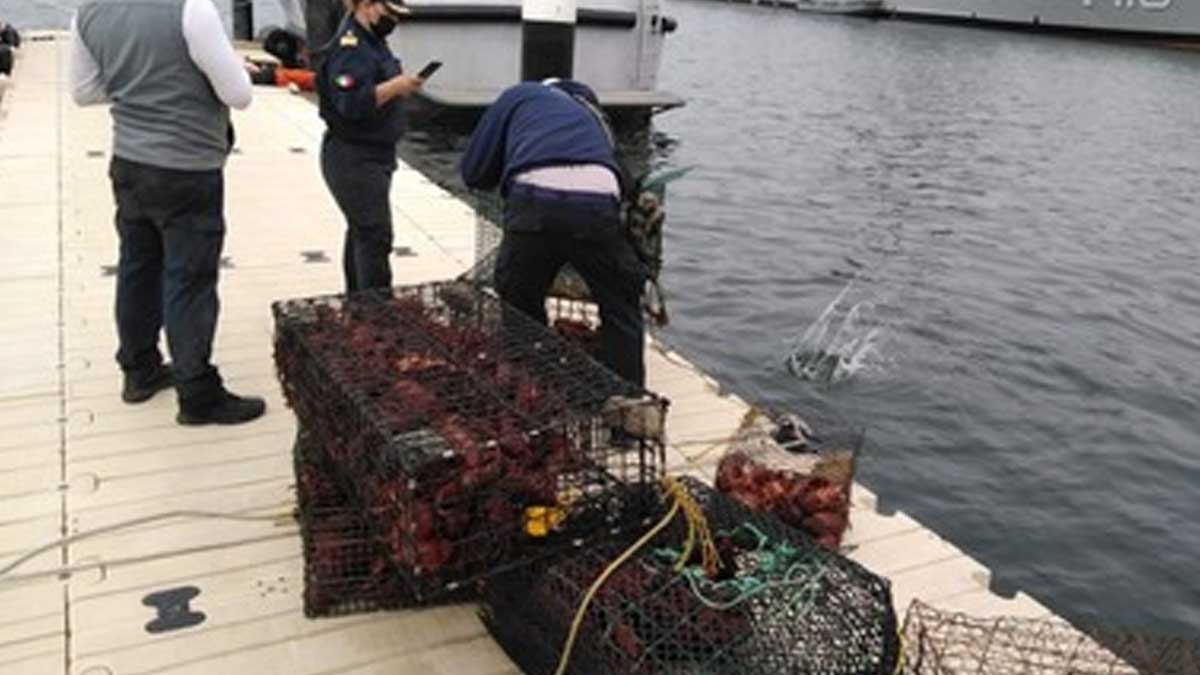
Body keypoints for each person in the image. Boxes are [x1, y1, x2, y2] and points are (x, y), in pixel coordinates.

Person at [69, 0, 266, 425]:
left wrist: (138, 87)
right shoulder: (191, 8)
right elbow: (239, 95)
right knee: (189, 279)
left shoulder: (88, 11)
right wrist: (228, 69)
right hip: (187, 166)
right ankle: (197, 393)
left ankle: (139, 370)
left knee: (137, 267)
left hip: (129, 161)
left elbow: (84, 92)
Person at [460, 79, 647, 386]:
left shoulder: (520, 94)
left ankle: (533, 382)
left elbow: (474, 173)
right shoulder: (595, 117)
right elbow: (624, 183)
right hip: (596, 207)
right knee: (620, 303)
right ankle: (628, 400)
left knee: (519, 297)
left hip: (532, 203)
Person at [315, 0, 425, 293]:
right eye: (388, 13)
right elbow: (351, 103)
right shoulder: (350, 48)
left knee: (362, 232)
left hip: (375, 154)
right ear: (366, 5)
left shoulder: (374, 42)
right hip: (353, 156)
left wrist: (400, 87)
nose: (393, 21)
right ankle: (376, 309)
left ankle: (359, 304)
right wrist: (396, 87)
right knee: (375, 235)